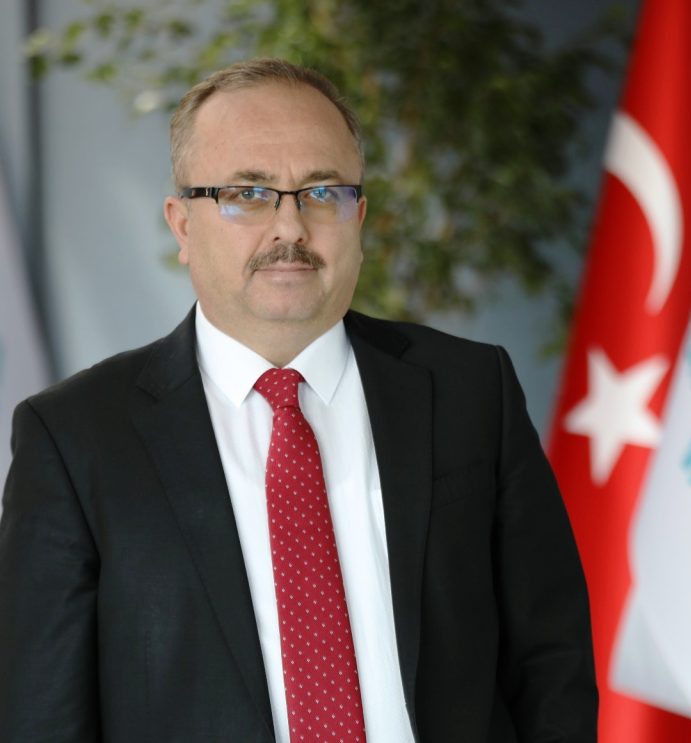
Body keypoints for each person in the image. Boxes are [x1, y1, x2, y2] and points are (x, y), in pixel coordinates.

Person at [0, 58, 597, 742]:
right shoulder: (75, 437)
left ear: (359, 217)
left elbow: (551, 662)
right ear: (183, 225)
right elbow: (41, 717)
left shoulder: (471, 390)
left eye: (322, 192)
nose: (290, 227)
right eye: (248, 193)